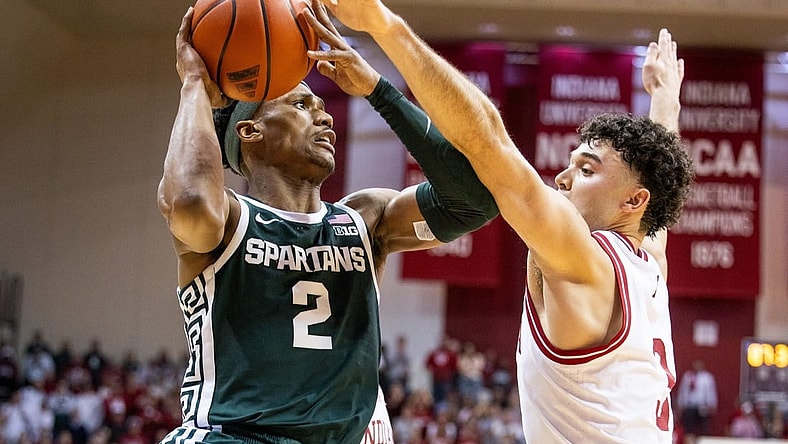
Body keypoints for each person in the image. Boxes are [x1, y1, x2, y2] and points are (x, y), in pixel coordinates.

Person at [307, 2, 694, 442]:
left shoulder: (584, 263)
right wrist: (665, 102)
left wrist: (386, 27)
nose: (563, 178)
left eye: (586, 170)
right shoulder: (648, 262)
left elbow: (487, 140)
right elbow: (657, 191)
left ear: (633, 200)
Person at [157, 3, 498, 443]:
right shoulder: (228, 218)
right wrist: (194, 88)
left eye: (321, 105)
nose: (325, 115)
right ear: (250, 132)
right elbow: (188, 201)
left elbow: (476, 201)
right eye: (301, 104)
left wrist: (378, 89)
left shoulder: (365, 220)